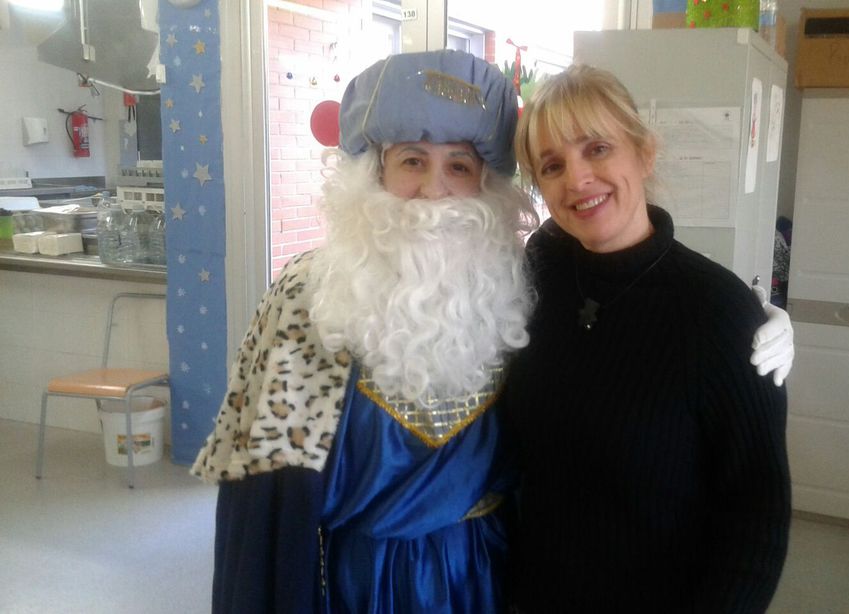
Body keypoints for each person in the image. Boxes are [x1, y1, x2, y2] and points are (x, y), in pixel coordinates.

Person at [192, 51, 793, 613]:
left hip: (494, 580)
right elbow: (263, 499)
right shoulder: (314, 296)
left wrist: (745, 315)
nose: (435, 189)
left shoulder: (504, 283)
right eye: (411, 161)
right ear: (372, 172)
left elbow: (754, 512)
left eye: (459, 165)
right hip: (361, 587)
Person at [501, 64, 791, 612]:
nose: (577, 179)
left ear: (645, 153)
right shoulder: (534, 279)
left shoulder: (717, 311)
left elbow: (757, 518)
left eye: (597, 149)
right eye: (553, 165)